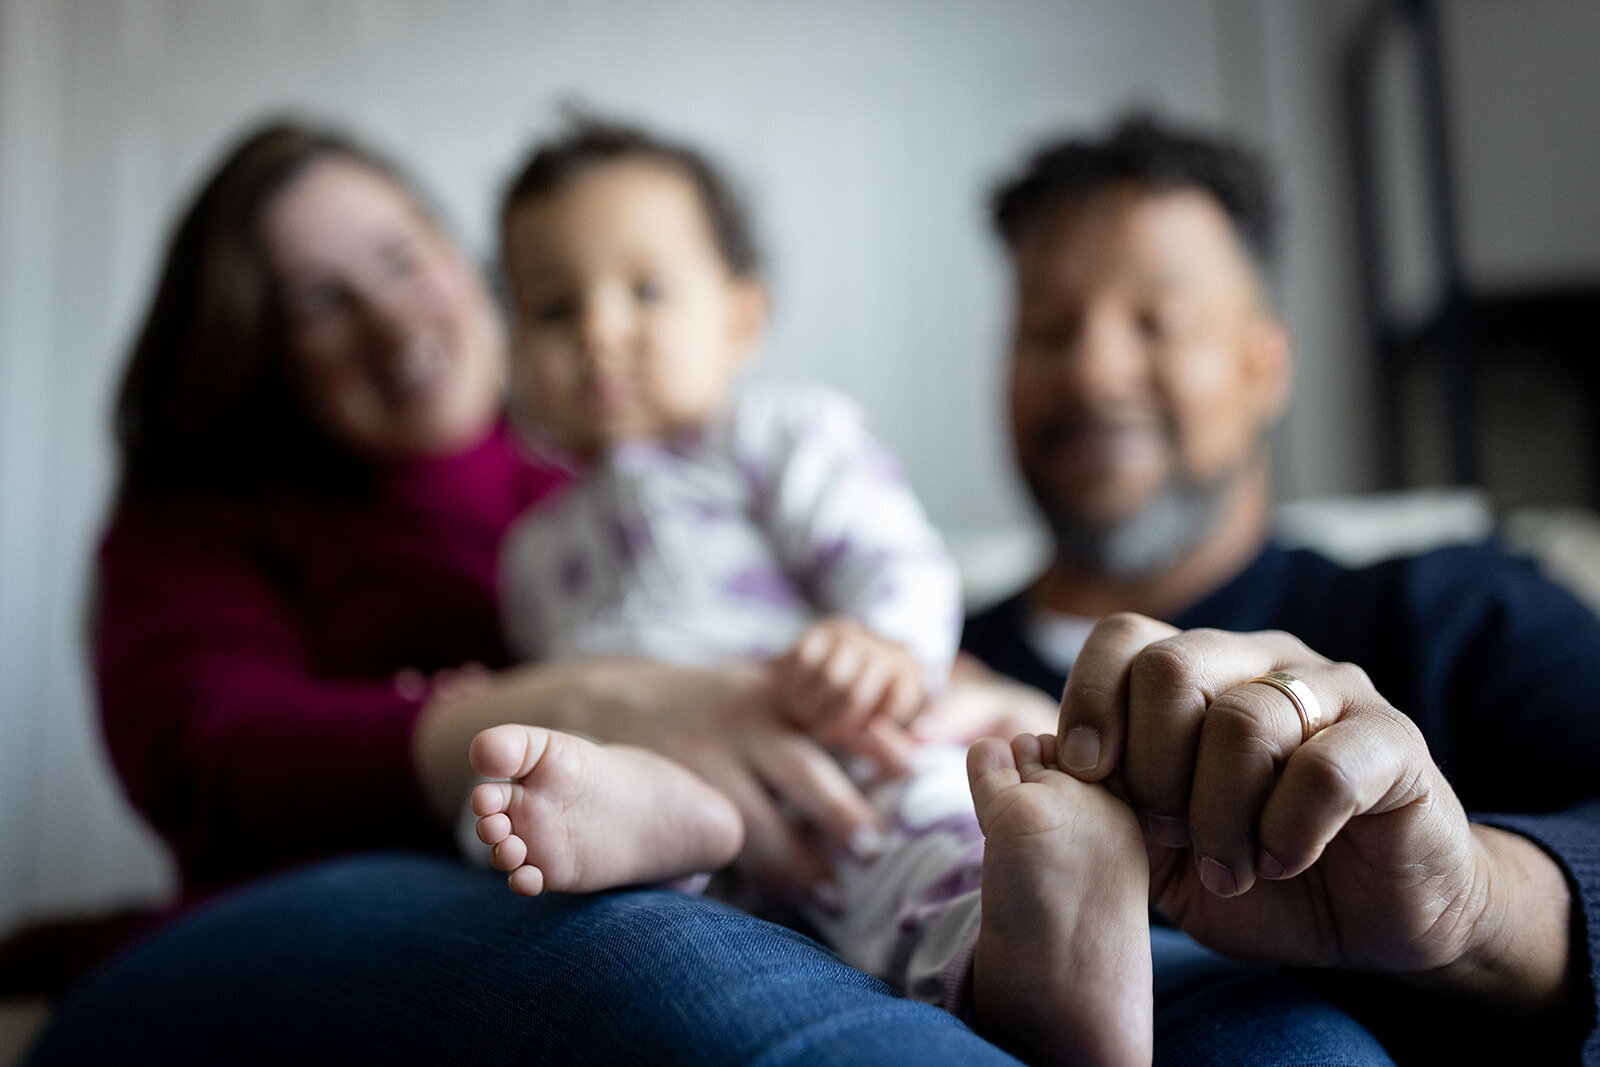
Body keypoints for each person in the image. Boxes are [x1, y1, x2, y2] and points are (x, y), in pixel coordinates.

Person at [20, 117, 1035, 1067]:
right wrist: (572, 704)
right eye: (319, 301)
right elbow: (215, 750)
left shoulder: (601, 485)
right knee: (664, 952)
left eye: (401, 257)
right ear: (253, 351)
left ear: (459, 264)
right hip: (333, 884)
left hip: (755, 817)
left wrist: (944, 682)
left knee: (1139, 967)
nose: (392, 314)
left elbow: (846, 584)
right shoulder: (210, 513)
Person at [464, 119, 1150, 1064]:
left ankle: (1037, 940)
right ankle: (671, 825)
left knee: (921, 840)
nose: (599, 330)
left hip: (835, 744)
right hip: (669, 787)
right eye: (552, 309)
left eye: (646, 290)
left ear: (743, 317)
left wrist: (884, 645)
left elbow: (894, 556)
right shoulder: (533, 552)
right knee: (520, 801)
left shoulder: (778, 435)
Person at [960, 114, 1600, 1064]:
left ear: (1265, 364)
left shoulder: (1459, 607)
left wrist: (1468, 905)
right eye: (1049, 329)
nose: (1092, 370)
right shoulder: (906, 662)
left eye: (1155, 322)